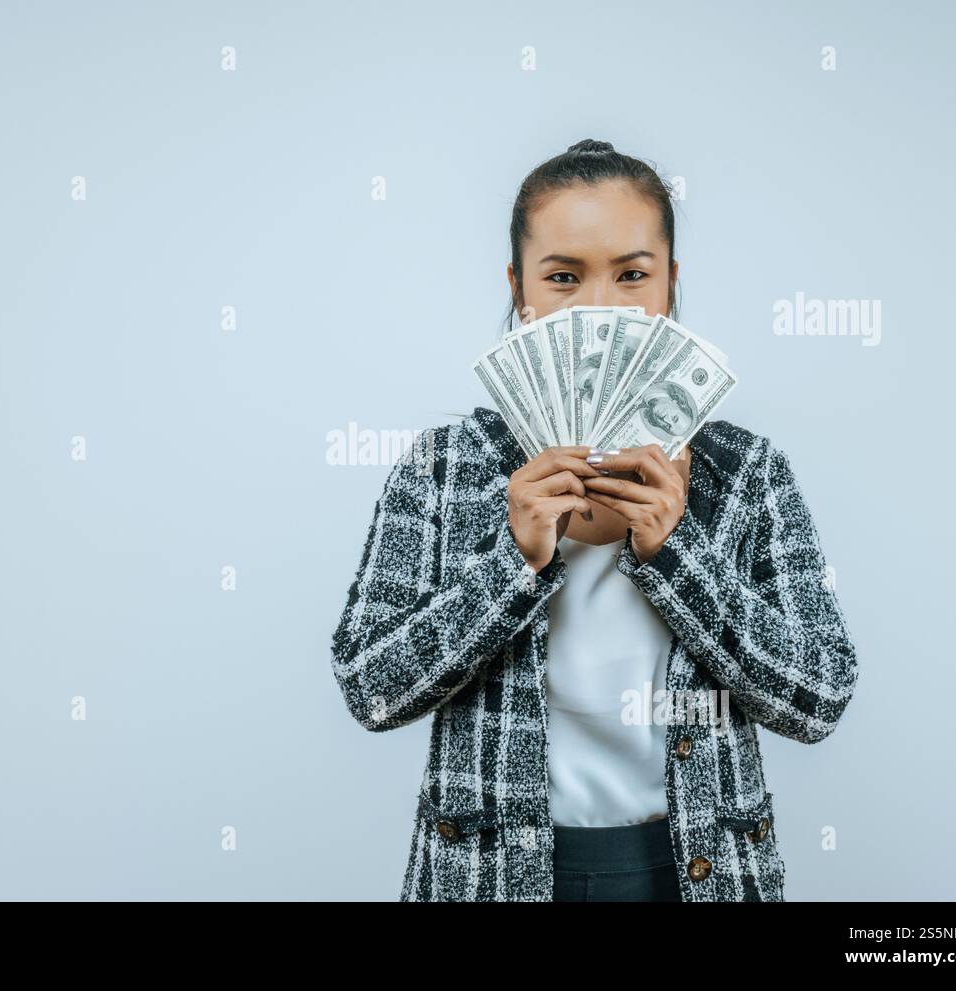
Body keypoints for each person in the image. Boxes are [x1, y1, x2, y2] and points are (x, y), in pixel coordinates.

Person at [330, 139, 860, 902]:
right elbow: (370, 688)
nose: (601, 310)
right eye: (564, 277)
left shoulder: (745, 472)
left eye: (632, 275)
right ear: (520, 290)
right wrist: (514, 561)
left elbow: (819, 698)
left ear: (671, 286)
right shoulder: (442, 470)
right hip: (491, 879)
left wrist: (679, 553)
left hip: (695, 876)